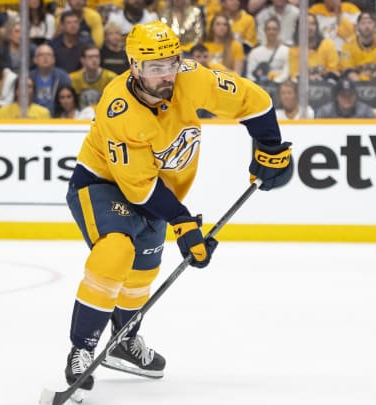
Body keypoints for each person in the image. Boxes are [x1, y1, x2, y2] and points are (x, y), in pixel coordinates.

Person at [59, 20, 292, 401]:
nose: (166, 74)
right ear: (134, 66)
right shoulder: (119, 109)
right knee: (116, 251)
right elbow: (139, 187)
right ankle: (81, 349)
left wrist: (269, 145)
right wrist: (184, 224)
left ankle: (123, 340)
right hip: (102, 184)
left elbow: (255, 101)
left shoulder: (191, 78)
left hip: (159, 193)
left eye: (171, 62)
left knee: (140, 276)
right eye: (154, 67)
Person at [340, 11, 376, 82]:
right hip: (355, 84)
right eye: (363, 23)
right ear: (357, 27)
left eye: (369, 22)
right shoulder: (347, 44)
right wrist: (356, 80)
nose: (367, 26)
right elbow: (345, 65)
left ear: (375, 25)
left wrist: (375, 81)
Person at [289, 13, 340, 82]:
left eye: (313, 24)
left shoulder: (328, 44)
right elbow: (294, 74)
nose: (310, 28)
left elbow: (334, 70)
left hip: (325, 83)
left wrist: (321, 77)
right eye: (306, 24)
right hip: (303, 85)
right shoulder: (294, 50)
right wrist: (310, 77)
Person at [30, 43, 73, 112]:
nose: (45, 58)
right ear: (35, 60)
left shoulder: (63, 77)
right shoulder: (29, 78)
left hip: (57, 117)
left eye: (49, 55)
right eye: (41, 55)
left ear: (54, 59)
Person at [246, 17, 290, 84]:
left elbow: (286, 73)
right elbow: (250, 74)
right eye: (268, 29)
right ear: (264, 31)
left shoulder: (287, 51)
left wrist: (273, 82)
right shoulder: (255, 52)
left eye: (274, 29)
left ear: (279, 31)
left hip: (279, 87)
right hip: (259, 86)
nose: (271, 32)